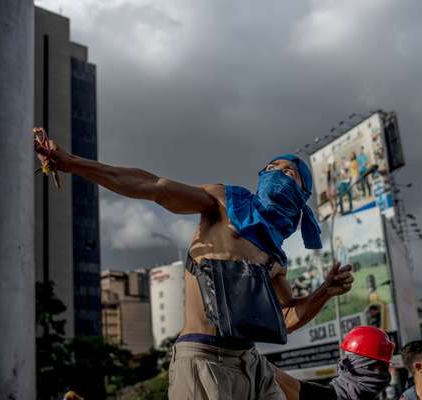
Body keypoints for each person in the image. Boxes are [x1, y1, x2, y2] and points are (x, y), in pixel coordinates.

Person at [34, 130, 354, 399]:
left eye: (288, 172)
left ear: (302, 195)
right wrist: (72, 163)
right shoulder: (224, 201)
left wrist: (324, 292)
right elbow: (153, 186)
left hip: (251, 362)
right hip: (204, 358)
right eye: (270, 167)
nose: (275, 173)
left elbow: (285, 318)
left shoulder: (276, 257)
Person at [275, 325, 395, 400]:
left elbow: (270, 374)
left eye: (383, 368)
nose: (384, 373)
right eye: (383, 367)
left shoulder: (323, 396)